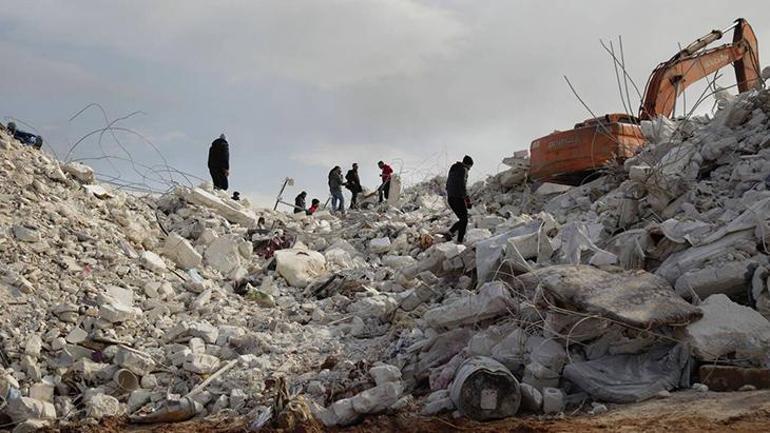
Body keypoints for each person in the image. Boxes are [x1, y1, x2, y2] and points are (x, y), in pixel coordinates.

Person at [445, 155, 474, 243]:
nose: (469, 169)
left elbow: (447, 185)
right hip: (458, 197)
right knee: (464, 220)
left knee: (462, 219)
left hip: (450, 198)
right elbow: (462, 185)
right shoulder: (463, 170)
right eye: (470, 167)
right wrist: (467, 200)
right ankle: (459, 241)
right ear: (468, 165)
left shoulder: (453, 168)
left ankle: (450, 233)